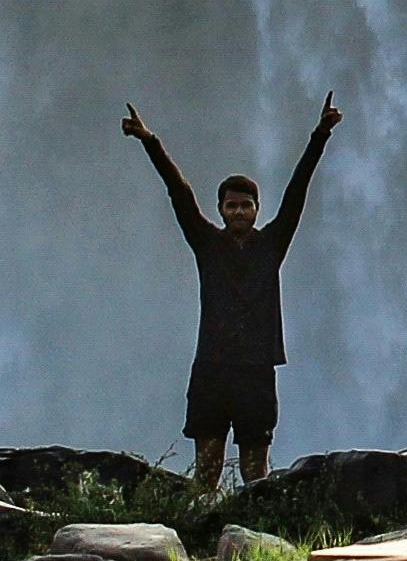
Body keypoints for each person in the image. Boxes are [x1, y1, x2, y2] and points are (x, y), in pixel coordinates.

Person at [121, 94, 342, 493]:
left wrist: (320, 135)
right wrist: (149, 141)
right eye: (232, 206)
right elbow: (179, 192)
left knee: (256, 470)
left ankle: (253, 536)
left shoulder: (271, 245)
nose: (239, 212)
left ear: (257, 209)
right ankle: (206, 536)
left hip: (256, 369)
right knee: (207, 470)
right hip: (212, 367)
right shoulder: (206, 244)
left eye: (246, 206)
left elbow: (297, 191)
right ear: (221, 210)